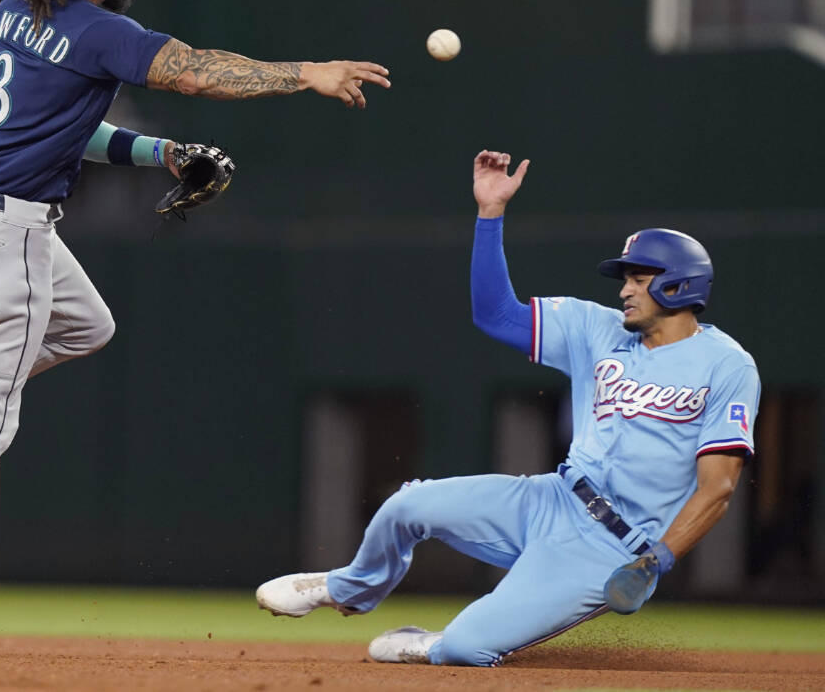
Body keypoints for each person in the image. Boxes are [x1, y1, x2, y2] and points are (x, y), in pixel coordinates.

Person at [0, 0, 391, 659]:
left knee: (88, 325)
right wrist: (307, 71)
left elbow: (67, 125)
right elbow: (196, 72)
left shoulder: (14, 13)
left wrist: (161, 154)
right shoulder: (99, 29)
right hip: (7, 234)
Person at [255, 149, 760, 666]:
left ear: (679, 284)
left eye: (638, 278)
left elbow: (717, 488)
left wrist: (657, 561)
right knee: (407, 506)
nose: (625, 289)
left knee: (465, 647)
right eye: (625, 278)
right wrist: (490, 214)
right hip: (553, 499)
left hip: (612, 548)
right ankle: (349, 589)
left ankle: (437, 643)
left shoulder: (727, 366)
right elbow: (495, 314)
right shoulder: (598, 328)